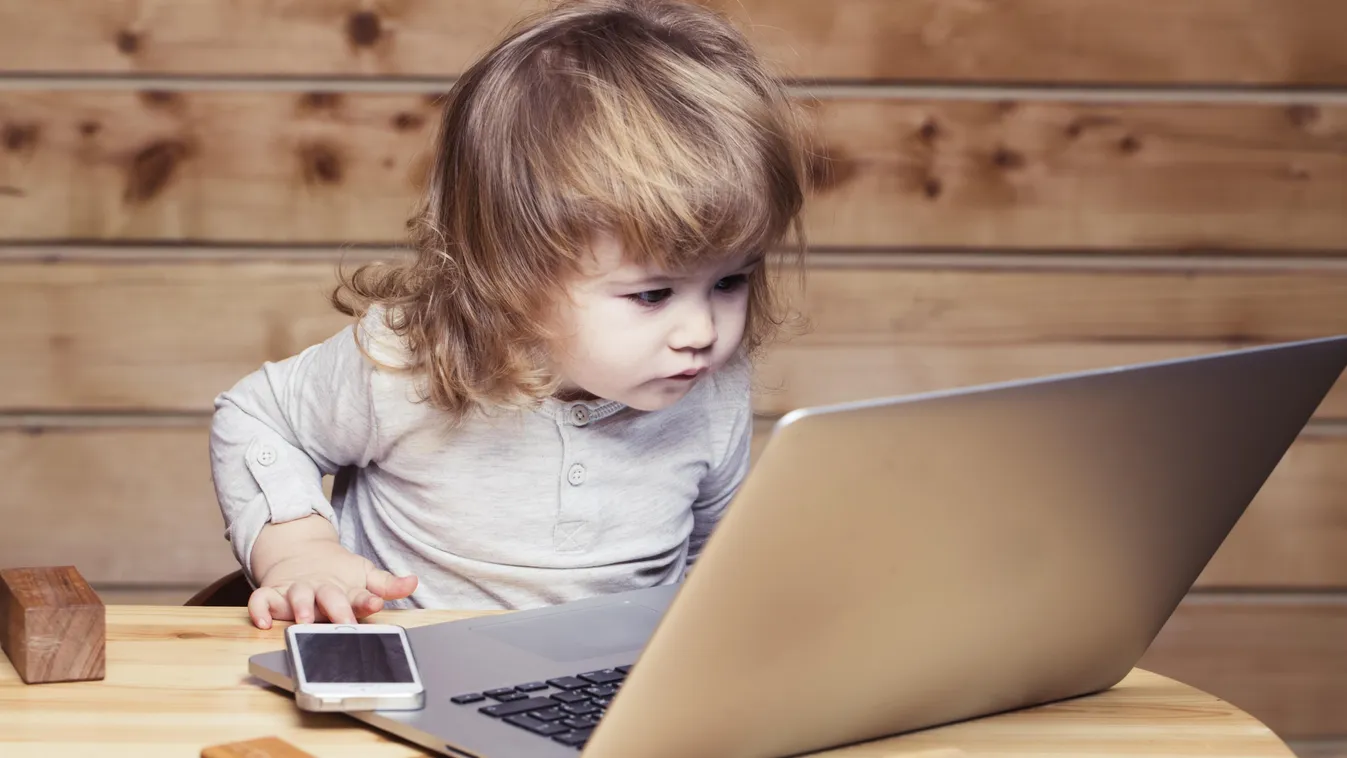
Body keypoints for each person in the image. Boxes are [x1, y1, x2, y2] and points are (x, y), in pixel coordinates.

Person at [209, 0, 810, 630]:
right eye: (652, 295)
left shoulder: (710, 390)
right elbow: (257, 419)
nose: (703, 334)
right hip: (404, 675)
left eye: (730, 280)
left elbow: (709, 562)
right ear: (513, 270)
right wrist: (302, 552)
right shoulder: (406, 362)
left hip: (604, 698)